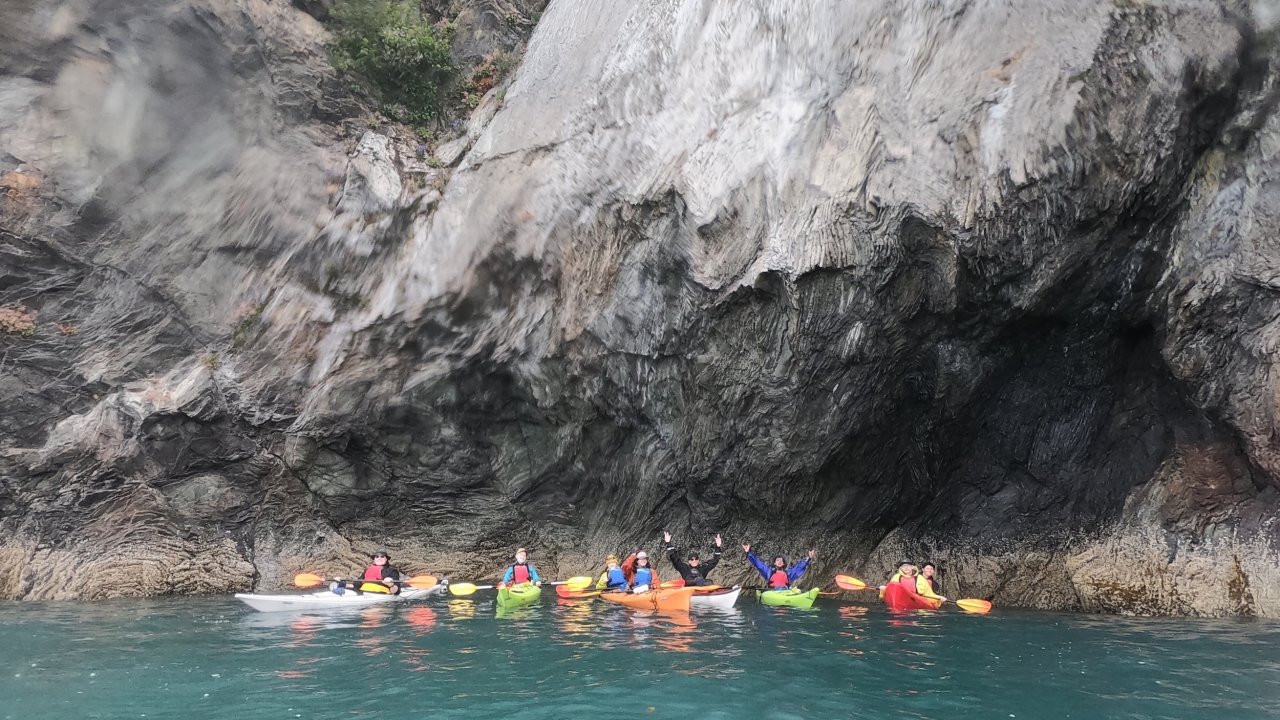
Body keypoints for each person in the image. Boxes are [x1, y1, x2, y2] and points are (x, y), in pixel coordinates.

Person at [332, 549, 402, 595]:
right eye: (377, 557)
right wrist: (343, 582)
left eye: (382, 556)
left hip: (379, 595)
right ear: (374, 559)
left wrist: (391, 584)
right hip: (362, 592)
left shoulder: (391, 571)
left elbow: (396, 592)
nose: (379, 558)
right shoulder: (368, 569)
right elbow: (357, 585)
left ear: (386, 559)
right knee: (340, 586)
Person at [743, 544, 815, 589]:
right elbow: (758, 564)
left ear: (783, 564)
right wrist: (748, 553)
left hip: (784, 593)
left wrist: (809, 558)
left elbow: (799, 567)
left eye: (781, 561)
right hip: (773, 592)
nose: (780, 561)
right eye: (778, 560)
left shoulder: (788, 573)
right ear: (774, 563)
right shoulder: (769, 572)